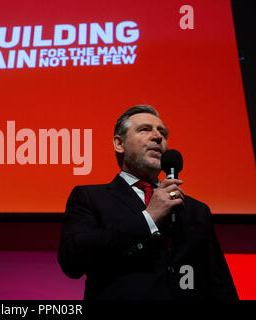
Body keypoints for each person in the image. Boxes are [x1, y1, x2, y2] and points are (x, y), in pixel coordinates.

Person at [58, 105, 238, 300]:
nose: (158, 137)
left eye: (162, 132)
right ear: (119, 144)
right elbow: (72, 261)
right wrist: (148, 218)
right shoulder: (90, 197)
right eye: (145, 129)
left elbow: (219, 284)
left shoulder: (196, 210)